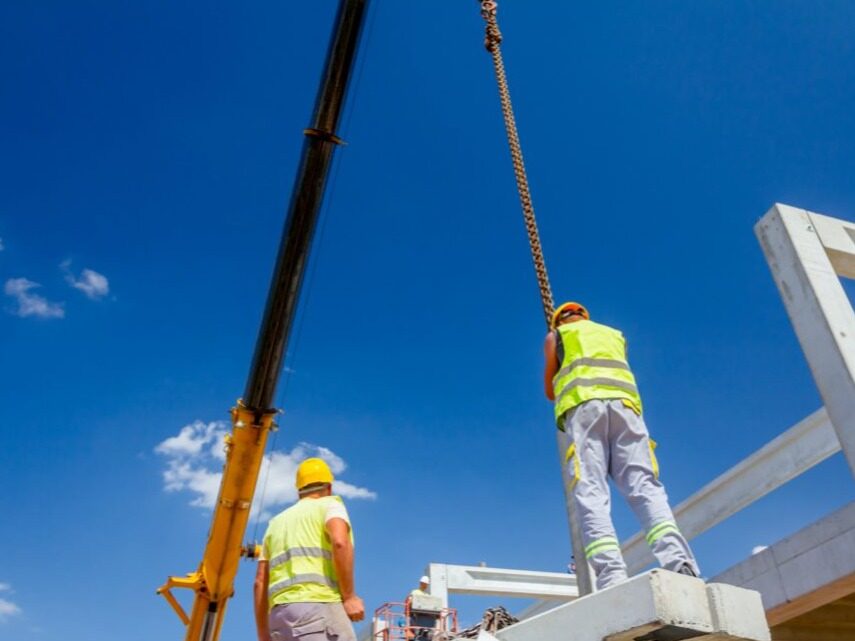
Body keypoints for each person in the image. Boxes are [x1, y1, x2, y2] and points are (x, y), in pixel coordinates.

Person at [543, 301, 700, 590]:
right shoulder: (614, 334)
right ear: (584, 316)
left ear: (558, 322)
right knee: (644, 487)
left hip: (584, 409)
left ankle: (612, 577)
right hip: (627, 410)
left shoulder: (557, 337)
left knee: (590, 490)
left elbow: (550, 390)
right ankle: (681, 563)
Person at [254, 458, 365, 641]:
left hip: (279, 619)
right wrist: (349, 597)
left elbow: (259, 582)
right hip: (318, 607)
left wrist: (263, 634)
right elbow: (340, 542)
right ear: (328, 487)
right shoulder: (330, 505)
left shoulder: (275, 524)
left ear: (299, 492)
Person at [406, 576, 436, 641]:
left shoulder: (427, 595)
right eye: (423, 583)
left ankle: (423, 634)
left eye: (426, 584)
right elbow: (410, 602)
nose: (425, 585)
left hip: (427, 618)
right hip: (416, 616)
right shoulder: (415, 592)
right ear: (420, 583)